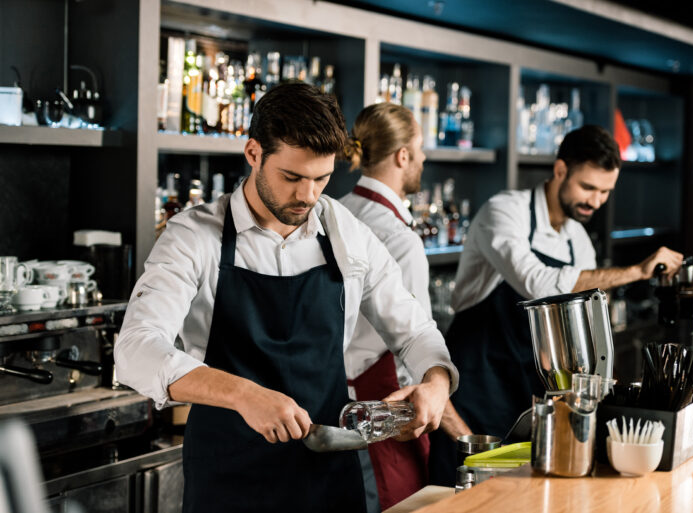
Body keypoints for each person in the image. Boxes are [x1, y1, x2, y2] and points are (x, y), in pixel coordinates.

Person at [114, 83, 458, 513]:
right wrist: (243, 394)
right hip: (229, 479)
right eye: (292, 177)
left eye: (322, 179)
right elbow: (135, 349)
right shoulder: (194, 236)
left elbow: (415, 331)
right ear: (254, 153)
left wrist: (435, 384)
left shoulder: (345, 232)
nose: (308, 196)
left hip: (330, 478)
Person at [428, 124, 683, 485]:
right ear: (560, 170)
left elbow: (587, 322)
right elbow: (538, 285)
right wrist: (637, 271)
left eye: (605, 192)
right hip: (476, 382)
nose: (595, 201)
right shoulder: (503, 212)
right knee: (461, 494)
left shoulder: (578, 239)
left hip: (531, 392)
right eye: (588, 187)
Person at [338, 103, 470, 510]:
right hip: (387, 414)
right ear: (402, 156)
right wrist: (467, 439)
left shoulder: (337, 212)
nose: (425, 157)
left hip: (336, 408)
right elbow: (414, 352)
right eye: (420, 147)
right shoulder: (399, 238)